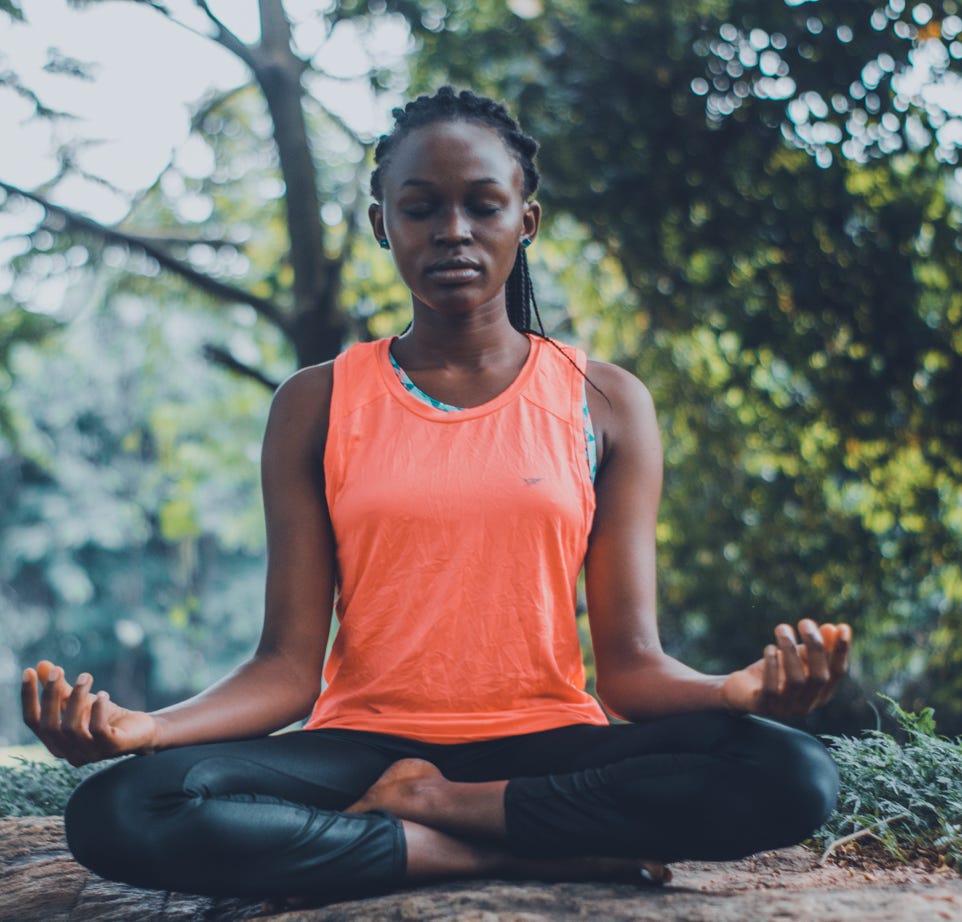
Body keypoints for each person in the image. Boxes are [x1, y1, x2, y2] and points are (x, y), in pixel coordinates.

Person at [21, 87, 851, 902]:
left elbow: (630, 670)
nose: (453, 230)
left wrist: (735, 692)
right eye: (420, 208)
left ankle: (439, 810)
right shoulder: (317, 403)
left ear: (525, 219)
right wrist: (148, 729)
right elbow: (283, 669)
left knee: (791, 772)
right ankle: (487, 856)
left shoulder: (603, 401)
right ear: (383, 222)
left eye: (483, 206)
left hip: (546, 745)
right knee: (123, 808)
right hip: (360, 749)